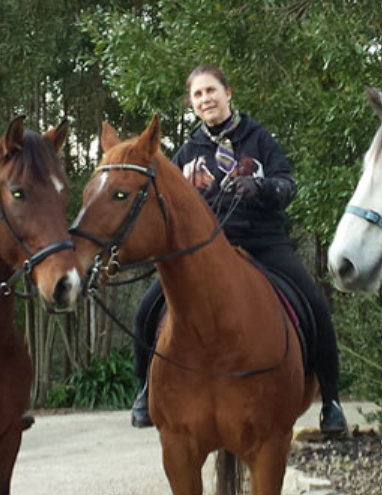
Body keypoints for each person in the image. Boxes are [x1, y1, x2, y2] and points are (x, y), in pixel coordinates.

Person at [129, 64, 348, 435]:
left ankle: (331, 400)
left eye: (211, 91)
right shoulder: (185, 153)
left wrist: (260, 188)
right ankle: (145, 390)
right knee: (146, 311)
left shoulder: (259, 137)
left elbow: (288, 183)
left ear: (228, 93)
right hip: (204, 253)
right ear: (192, 104)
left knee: (315, 305)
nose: (205, 99)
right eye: (198, 95)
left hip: (262, 242)